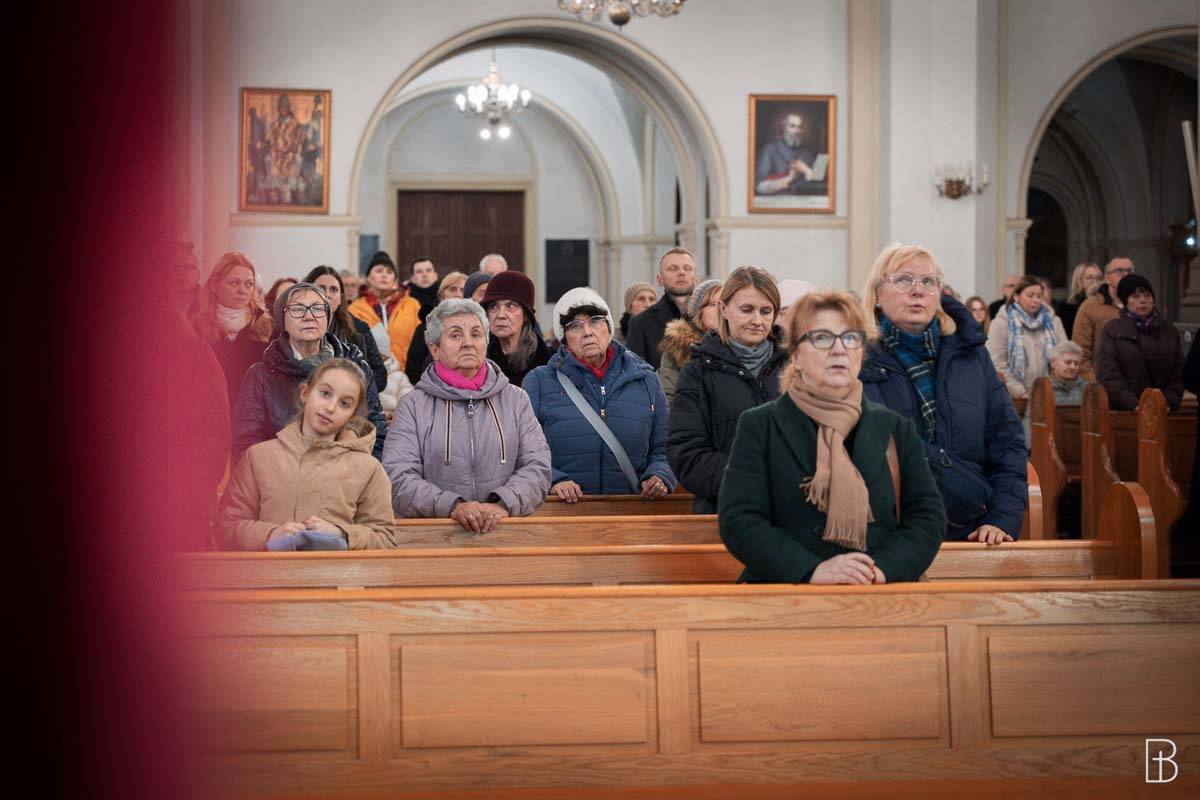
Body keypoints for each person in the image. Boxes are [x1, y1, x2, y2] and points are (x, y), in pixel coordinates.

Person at [718, 290, 946, 583]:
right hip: (787, 593)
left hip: (876, 595)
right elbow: (739, 520)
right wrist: (812, 570)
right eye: (823, 338)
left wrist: (880, 570)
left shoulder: (894, 427)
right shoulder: (761, 424)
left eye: (850, 338)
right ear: (796, 355)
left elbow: (927, 517)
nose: (839, 349)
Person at [860, 244, 1027, 544]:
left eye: (928, 281)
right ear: (877, 294)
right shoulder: (855, 358)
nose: (917, 290)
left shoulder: (972, 356)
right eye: (903, 279)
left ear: (938, 294)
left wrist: (1001, 519)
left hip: (971, 531)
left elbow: (1007, 442)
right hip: (882, 535)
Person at [384, 299, 552, 531]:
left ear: (486, 341)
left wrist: (503, 504)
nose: (468, 343)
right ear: (434, 349)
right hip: (434, 537)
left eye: (476, 334)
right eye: (455, 335)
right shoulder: (412, 405)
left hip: (505, 532)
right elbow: (398, 475)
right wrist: (452, 506)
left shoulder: (516, 400)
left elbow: (537, 465)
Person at [218, 358, 397, 551]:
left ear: (352, 415)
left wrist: (342, 534)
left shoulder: (369, 469)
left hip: (337, 571)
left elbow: (384, 540)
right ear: (305, 392)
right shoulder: (258, 458)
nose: (330, 407)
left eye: (344, 403)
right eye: (325, 393)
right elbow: (227, 527)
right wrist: (269, 535)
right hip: (270, 570)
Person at [524, 287, 677, 499]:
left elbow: (666, 446)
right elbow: (525, 449)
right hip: (563, 510)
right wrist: (553, 479)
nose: (587, 332)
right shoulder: (539, 382)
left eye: (595, 321)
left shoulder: (645, 379)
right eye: (575, 326)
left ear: (609, 328)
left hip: (632, 509)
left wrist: (659, 475)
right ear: (564, 338)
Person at [669, 268, 789, 513]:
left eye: (766, 311)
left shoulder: (795, 366)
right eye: (747, 309)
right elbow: (686, 452)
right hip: (724, 511)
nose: (757, 320)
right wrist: (750, 480)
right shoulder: (698, 372)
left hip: (789, 512)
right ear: (723, 309)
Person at [232, 282, 387, 462]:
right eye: (298, 309)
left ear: (327, 317)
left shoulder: (356, 368)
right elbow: (246, 445)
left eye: (317, 309)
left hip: (346, 473)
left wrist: (358, 473)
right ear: (282, 320)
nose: (309, 316)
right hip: (282, 474)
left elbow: (376, 433)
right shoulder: (260, 376)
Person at [190, 251, 274, 409]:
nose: (242, 290)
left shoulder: (268, 327)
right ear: (214, 285)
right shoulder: (196, 327)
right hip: (210, 412)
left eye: (249, 284)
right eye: (234, 283)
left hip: (256, 414)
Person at [1095, 274, 1185, 411]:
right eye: (1135, 296)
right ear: (1125, 301)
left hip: (1164, 412)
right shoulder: (1113, 330)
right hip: (1126, 412)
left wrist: (1166, 403)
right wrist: (1135, 405)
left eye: (1147, 296)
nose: (1143, 300)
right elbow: (1109, 375)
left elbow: (1178, 374)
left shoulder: (1169, 331)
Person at [305, 265, 387, 392]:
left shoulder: (358, 329)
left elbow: (380, 375)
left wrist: (348, 385)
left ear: (340, 297)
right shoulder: (296, 328)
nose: (327, 295)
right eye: (320, 288)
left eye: (333, 289)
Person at [985, 275, 1067, 400]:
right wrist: (1019, 391)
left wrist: (1055, 389)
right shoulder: (1001, 323)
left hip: (1050, 395)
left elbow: (1064, 357)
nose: (1035, 300)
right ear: (1016, 297)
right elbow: (996, 362)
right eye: (1030, 295)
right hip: (1014, 398)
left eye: (1039, 296)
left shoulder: (1054, 322)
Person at [348, 250, 421, 372]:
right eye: (379, 271)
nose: (384, 275)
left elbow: (421, 341)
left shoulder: (412, 305)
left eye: (389, 272)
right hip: (369, 374)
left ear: (395, 279)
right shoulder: (355, 308)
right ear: (368, 278)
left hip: (408, 373)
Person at [625, 247, 698, 369]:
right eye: (673, 268)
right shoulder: (640, 323)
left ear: (696, 279)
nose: (681, 272)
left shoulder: (709, 319)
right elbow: (634, 372)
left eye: (687, 268)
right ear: (660, 280)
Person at [479, 270, 551, 387]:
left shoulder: (549, 364)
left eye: (510, 306)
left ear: (526, 316)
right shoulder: (479, 360)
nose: (500, 315)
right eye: (493, 307)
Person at [657, 278, 721, 403]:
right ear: (698, 311)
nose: (720, 310)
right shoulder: (679, 347)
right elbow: (669, 397)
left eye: (724, 304)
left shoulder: (739, 345)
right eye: (713, 305)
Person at [1073, 256, 1134, 380]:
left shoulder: (1141, 305)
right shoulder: (1090, 306)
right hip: (1103, 381)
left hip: (1135, 381)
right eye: (1119, 271)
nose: (1125, 275)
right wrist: (1096, 384)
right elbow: (1081, 353)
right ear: (1107, 278)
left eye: (1130, 271)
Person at [405, 270, 469, 386]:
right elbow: (413, 370)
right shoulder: (425, 328)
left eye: (463, 290)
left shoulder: (478, 327)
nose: (458, 294)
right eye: (453, 289)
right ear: (442, 295)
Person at [1022, 341, 1085, 445]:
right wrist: (1030, 450)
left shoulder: (1087, 389)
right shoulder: (1042, 389)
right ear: (1053, 362)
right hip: (1049, 445)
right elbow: (1031, 421)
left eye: (1076, 363)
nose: (1073, 367)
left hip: (1081, 444)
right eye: (1068, 362)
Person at [755, 112, 818, 195]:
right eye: (792, 126)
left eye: (800, 127)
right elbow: (759, 187)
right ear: (784, 128)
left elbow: (816, 183)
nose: (797, 131)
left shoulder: (806, 153)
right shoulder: (770, 149)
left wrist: (807, 170)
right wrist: (790, 178)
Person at [1057, 261, 1102, 338]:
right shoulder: (1067, 307)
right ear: (1079, 280)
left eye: (1097, 278)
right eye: (1089, 278)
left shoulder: (1104, 304)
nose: (1094, 282)